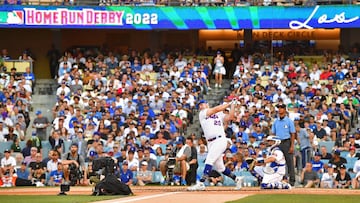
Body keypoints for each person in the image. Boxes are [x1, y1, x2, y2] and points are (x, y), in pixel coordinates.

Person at [187, 99, 243, 191]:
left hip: (220, 140)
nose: (201, 106)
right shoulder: (202, 113)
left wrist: (232, 105)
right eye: (199, 105)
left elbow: (231, 117)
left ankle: (201, 183)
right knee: (220, 167)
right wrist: (230, 103)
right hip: (210, 142)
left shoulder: (219, 115)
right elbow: (216, 109)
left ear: (207, 104)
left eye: (202, 104)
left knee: (209, 159)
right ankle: (237, 179)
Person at [271, 103, 296, 186]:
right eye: (279, 108)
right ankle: (279, 179)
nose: (280, 109)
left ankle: (292, 181)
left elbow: (292, 134)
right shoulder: (276, 121)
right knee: (277, 161)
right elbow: (273, 133)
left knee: (289, 161)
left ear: (285, 110)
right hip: (278, 142)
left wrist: (292, 145)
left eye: (281, 108)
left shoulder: (289, 121)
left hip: (286, 142)